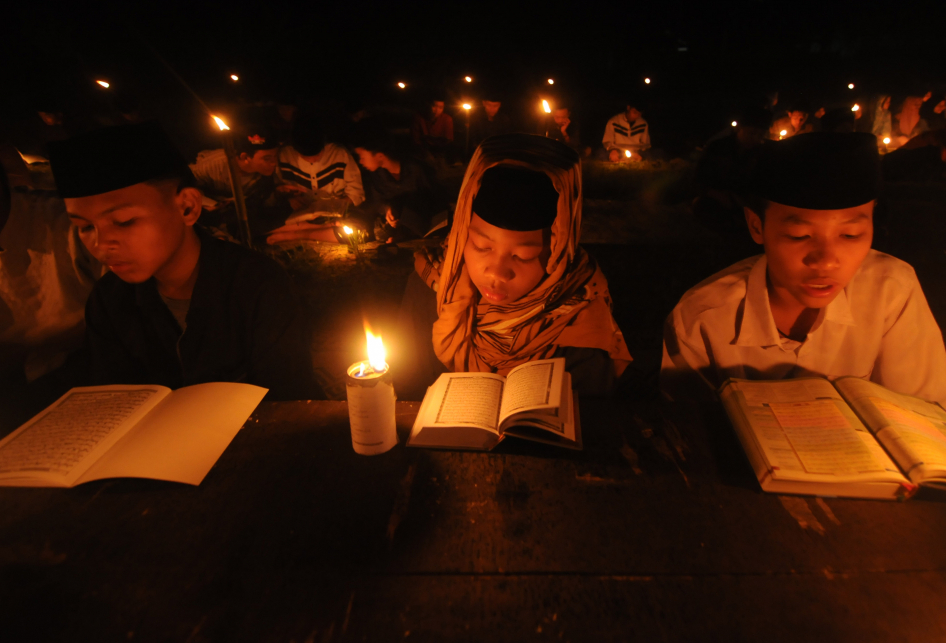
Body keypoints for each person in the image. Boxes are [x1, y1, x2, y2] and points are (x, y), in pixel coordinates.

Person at [662, 132, 946, 405]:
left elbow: (922, 409)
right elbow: (690, 431)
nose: (826, 260)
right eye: (799, 236)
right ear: (756, 226)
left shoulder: (891, 291)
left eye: (850, 235)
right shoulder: (701, 321)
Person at [47, 121, 322, 401]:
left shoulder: (257, 284)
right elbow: (113, 400)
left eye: (124, 222)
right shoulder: (109, 300)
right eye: (84, 227)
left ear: (187, 206)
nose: (101, 244)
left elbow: (288, 398)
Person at [396, 133, 632, 399]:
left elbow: (587, 417)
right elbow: (408, 390)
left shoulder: (580, 317)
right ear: (462, 232)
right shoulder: (431, 287)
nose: (496, 272)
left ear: (558, 251)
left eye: (523, 256)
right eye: (482, 247)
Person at [351, 120, 447, 243]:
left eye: (362, 157)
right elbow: (377, 201)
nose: (361, 161)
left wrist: (403, 209)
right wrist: (387, 209)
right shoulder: (377, 176)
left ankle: (407, 234)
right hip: (396, 223)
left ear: (380, 155)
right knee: (378, 230)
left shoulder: (416, 169)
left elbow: (434, 197)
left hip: (423, 219)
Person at [277, 110, 365, 210]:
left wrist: (334, 206)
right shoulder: (284, 155)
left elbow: (357, 193)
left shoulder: (339, 154)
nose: (312, 160)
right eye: (305, 156)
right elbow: (278, 189)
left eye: (317, 154)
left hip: (336, 214)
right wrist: (290, 199)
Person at [189, 123, 279, 207]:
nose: (274, 162)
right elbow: (186, 181)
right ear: (245, 157)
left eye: (275, 156)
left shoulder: (266, 175)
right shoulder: (215, 164)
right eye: (267, 158)